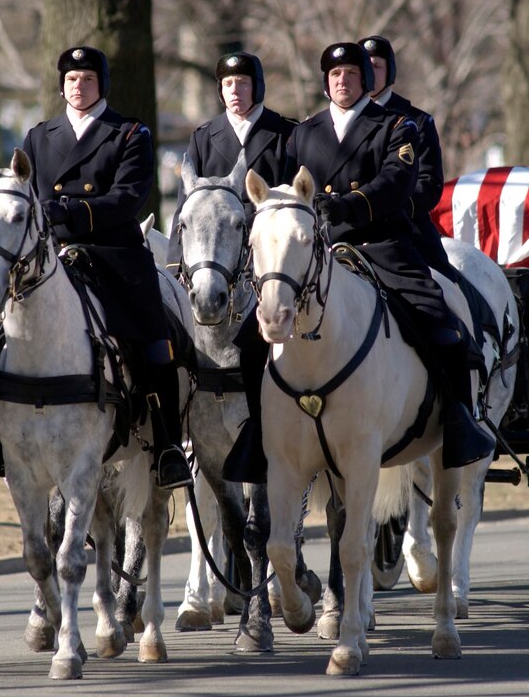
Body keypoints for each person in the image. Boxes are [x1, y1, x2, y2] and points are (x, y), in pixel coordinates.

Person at [223, 42, 495, 483]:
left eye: (351, 75)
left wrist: (349, 206)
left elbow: (396, 182)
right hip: (317, 251)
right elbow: (283, 188)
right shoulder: (303, 133)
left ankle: (460, 422)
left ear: (365, 81)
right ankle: (259, 432)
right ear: (325, 82)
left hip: (381, 243)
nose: (342, 82)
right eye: (334, 76)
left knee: (440, 325)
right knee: (251, 341)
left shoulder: (396, 126)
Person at [0, 46, 192, 489]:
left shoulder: (129, 133)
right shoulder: (39, 135)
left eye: (87, 79)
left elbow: (129, 198)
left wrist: (69, 211)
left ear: (101, 83)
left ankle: (165, 445)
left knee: (152, 336)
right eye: (71, 79)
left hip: (112, 253)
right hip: (47, 254)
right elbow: (25, 195)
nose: (78, 86)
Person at [166, 51, 296, 268]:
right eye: (227, 84)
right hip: (214, 254)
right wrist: (175, 263)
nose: (234, 90)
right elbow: (184, 207)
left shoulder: (286, 133)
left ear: (257, 86)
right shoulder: (203, 137)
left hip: (271, 253)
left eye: (242, 82)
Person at [359, 35, 455, 282]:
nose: (370, 72)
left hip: (407, 230)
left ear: (389, 72)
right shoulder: (337, 124)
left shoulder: (418, 121)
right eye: (364, 66)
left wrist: (392, 207)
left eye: (377, 66)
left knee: (450, 293)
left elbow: (429, 184)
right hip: (349, 228)